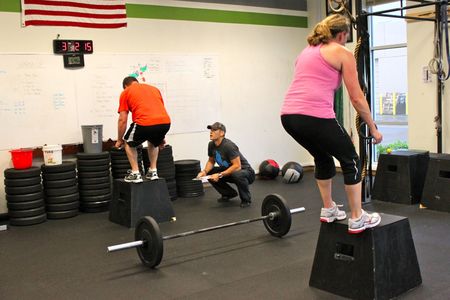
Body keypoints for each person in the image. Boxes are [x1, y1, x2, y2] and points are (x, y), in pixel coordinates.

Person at [280, 14, 383, 234]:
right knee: (350, 160)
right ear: (343, 34)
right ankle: (357, 217)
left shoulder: (306, 52)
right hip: (315, 116)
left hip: (289, 117)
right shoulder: (343, 53)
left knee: (322, 157)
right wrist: (372, 127)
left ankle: (328, 209)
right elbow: (356, 97)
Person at [115, 76, 171, 183]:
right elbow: (158, 112)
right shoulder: (154, 89)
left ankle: (135, 173)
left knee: (128, 142)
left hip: (144, 122)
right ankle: (153, 171)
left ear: (125, 86)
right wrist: (161, 137)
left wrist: (119, 139)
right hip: (165, 122)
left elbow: (122, 119)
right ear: (136, 82)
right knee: (154, 142)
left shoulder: (126, 92)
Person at [197, 122, 255, 208]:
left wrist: (220, 174)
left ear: (222, 133)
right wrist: (204, 172)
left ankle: (246, 199)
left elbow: (237, 166)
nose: (211, 132)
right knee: (210, 173)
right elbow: (211, 161)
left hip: (246, 173)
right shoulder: (211, 145)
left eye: (214, 130)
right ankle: (229, 194)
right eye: (211, 130)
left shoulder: (229, 146)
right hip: (230, 172)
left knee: (237, 174)